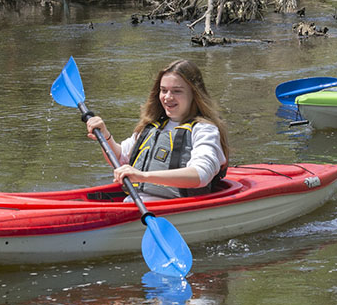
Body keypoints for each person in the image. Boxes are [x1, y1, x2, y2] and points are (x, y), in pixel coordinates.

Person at [85, 59, 229, 201]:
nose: (168, 97)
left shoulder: (204, 130)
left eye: (177, 91)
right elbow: (120, 158)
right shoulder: (154, 126)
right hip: (135, 202)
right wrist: (105, 136)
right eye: (163, 90)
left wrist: (142, 176)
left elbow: (201, 175)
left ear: (194, 94)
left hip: (174, 207)